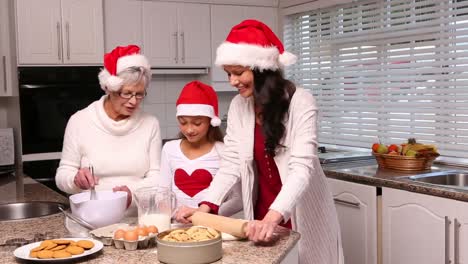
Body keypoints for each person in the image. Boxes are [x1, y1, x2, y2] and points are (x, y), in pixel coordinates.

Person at [175, 20, 343, 263]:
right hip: (261, 213)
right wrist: (204, 209)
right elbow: (231, 163)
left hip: (296, 210)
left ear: (261, 69)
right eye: (228, 73)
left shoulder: (301, 102)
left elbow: (301, 169)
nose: (232, 81)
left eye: (239, 72)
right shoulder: (238, 106)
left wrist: (273, 217)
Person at [55, 45, 162, 211]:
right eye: (126, 93)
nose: (134, 101)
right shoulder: (80, 121)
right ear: (109, 88)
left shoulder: (150, 124)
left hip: (136, 220)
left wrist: (132, 194)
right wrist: (75, 180)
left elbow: (157, 177)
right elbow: (63, 174)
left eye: (139, 94)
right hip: (90, 217)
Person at [159, 81, 242, 217]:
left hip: (211, 228)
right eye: (183, 122)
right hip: (176, 227)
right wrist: (175, 215)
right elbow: (161, 193)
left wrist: (205, 215)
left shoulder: (224, 151)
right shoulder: (169, 149)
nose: (189, 129)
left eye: (197, 123)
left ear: (211, 121)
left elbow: (239, 200)